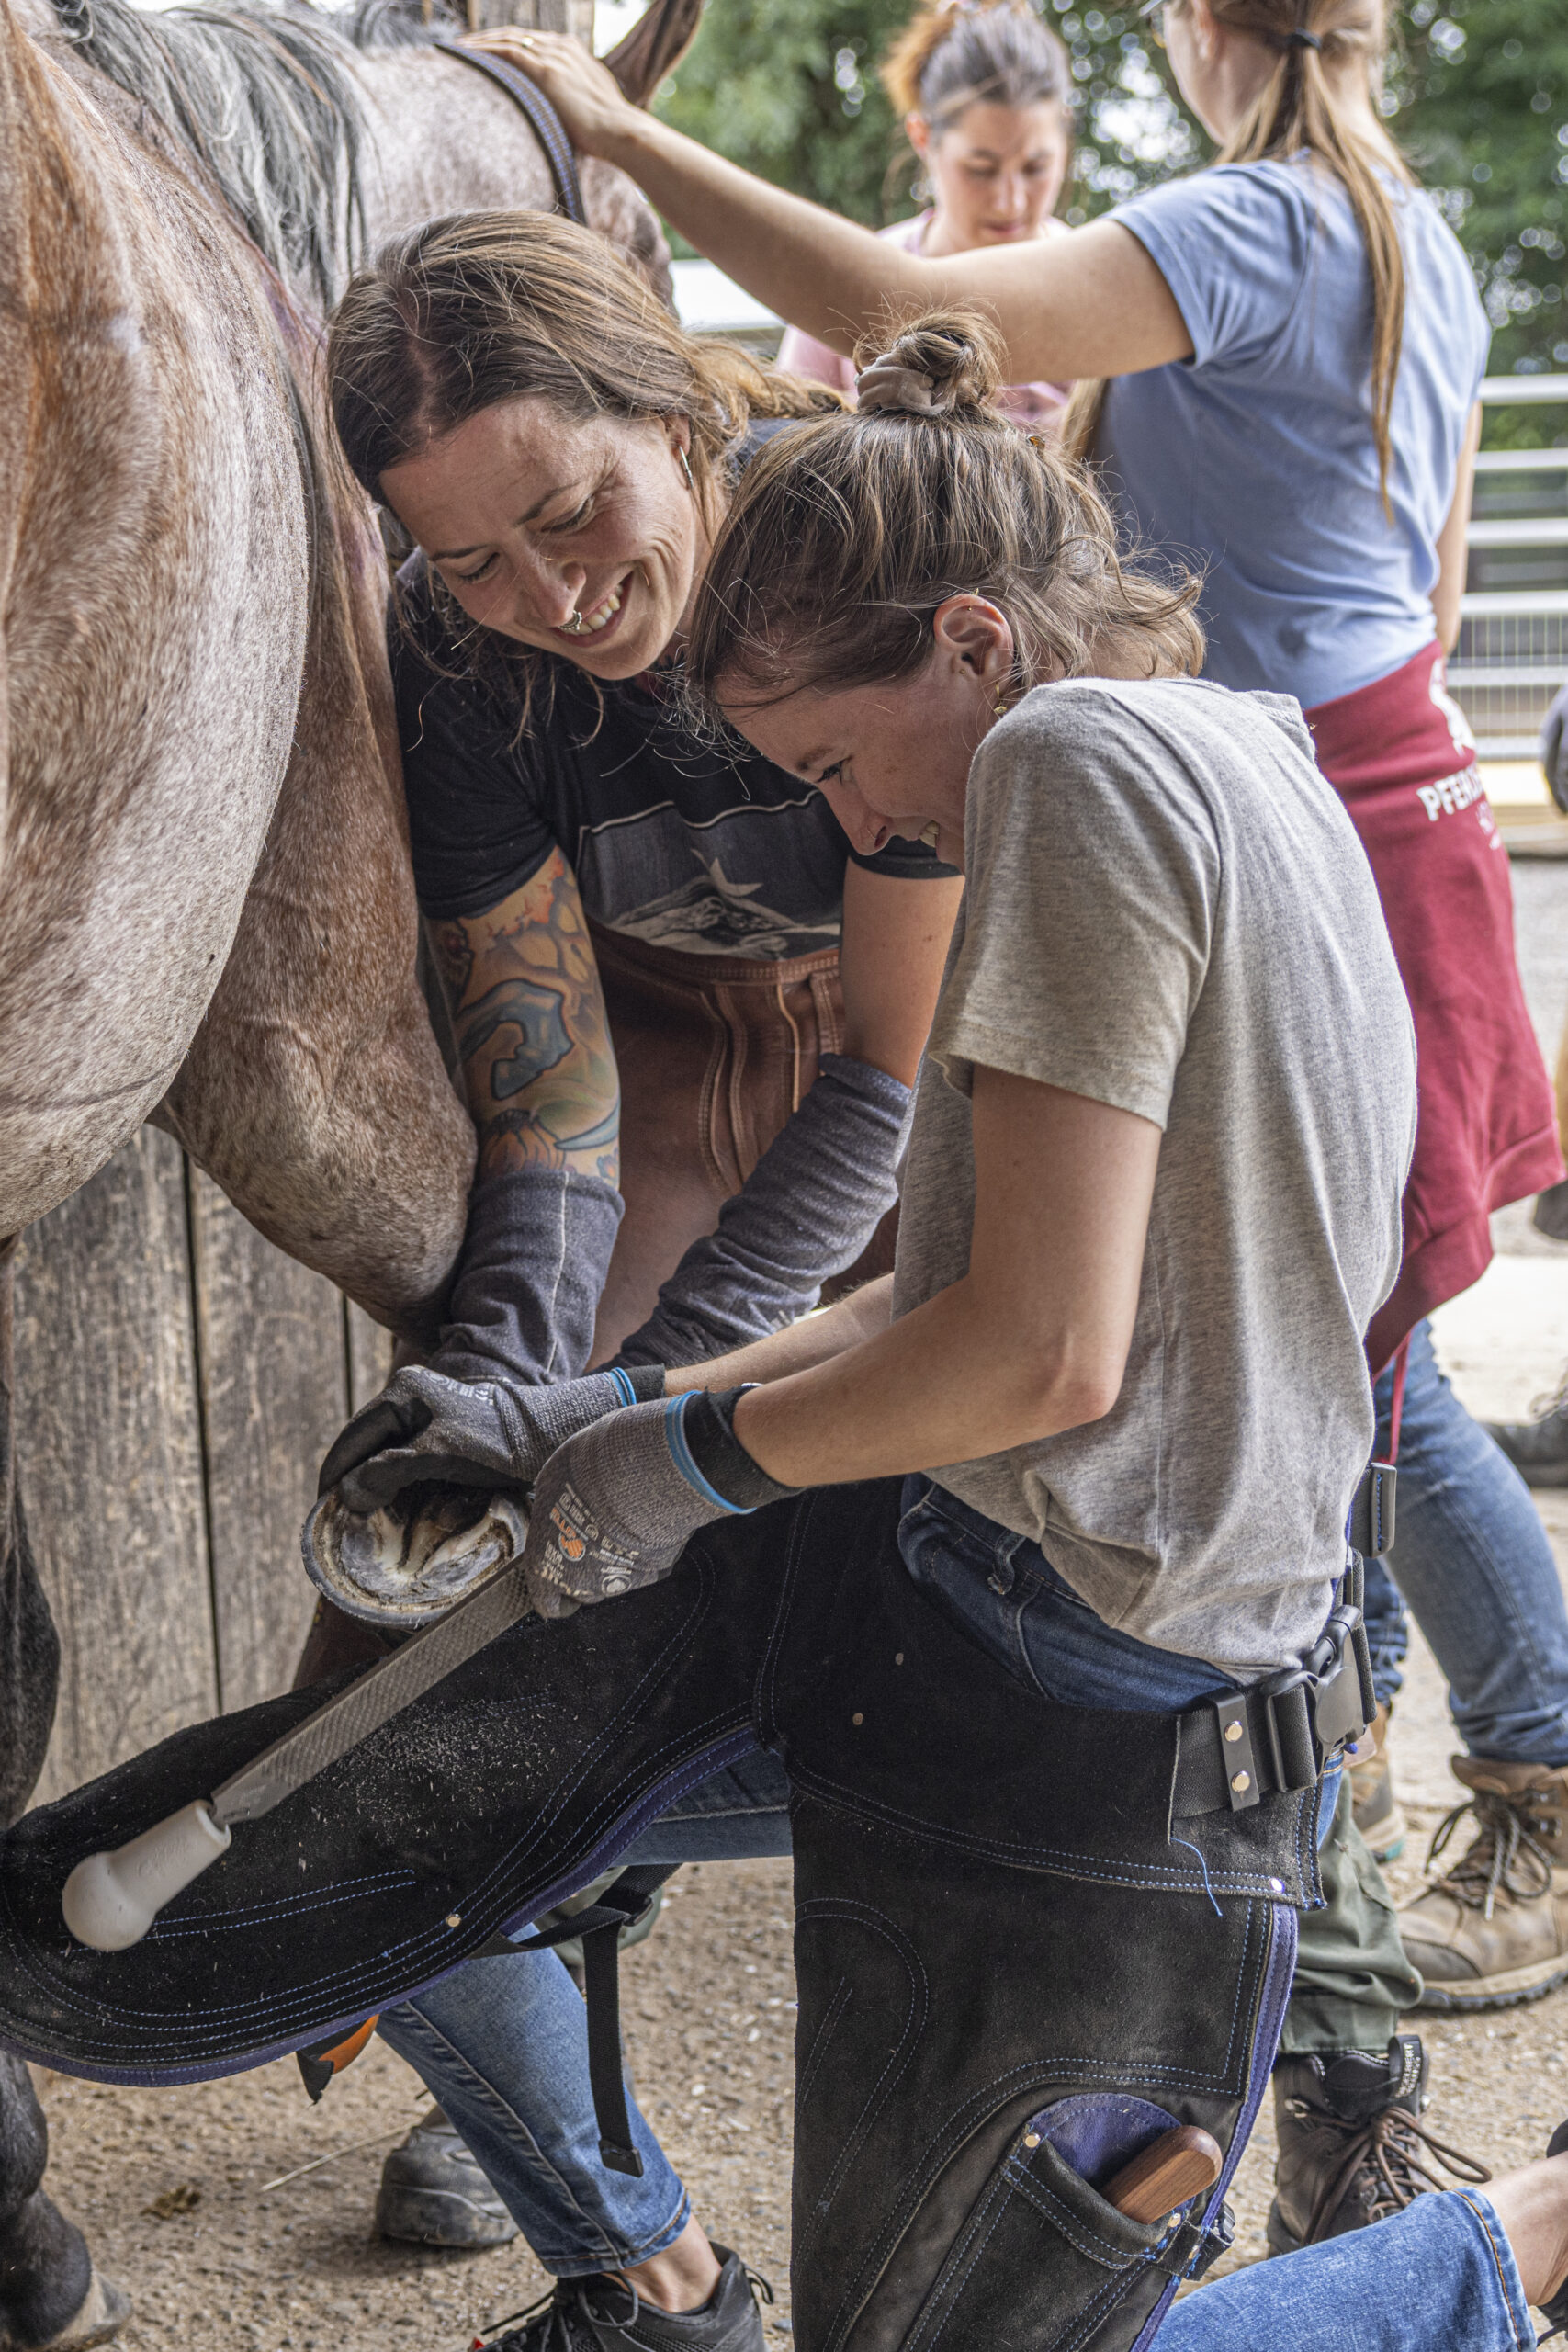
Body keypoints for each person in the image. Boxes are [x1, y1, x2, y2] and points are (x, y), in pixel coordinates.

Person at [489, 0, 1564, 2232]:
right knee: (1361, 1366)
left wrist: (609, 132)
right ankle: (1357, 2067)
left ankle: (1455, 2018)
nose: (851, 826)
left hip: (1118, 1609)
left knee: (1365, 1402)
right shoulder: (1409, 252)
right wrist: (672, 1385)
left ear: (1181, 37)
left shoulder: (1242, 249)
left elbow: (1029, 1348)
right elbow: (1438, 587)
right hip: (1377, 761)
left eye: (826, 778)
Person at [310, 210, 962, 2325]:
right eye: (470, 556)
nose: (550, 597)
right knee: (446, 1635)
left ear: (674, 406)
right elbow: (547, 1081)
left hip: (906, 1066)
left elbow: (883, 1081)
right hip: (668, 1058)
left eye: (576, 513)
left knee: (723, 1526)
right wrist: (509, 1369)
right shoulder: (460, 639)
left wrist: (644, 1411)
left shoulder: (838, 549)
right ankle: (611, 2193)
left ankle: (598, 1891)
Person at [777, 0, 1073, 429]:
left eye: (1035, 168)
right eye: (981, 170)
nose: (1010, 201)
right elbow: (785, 460)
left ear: (1064, 131)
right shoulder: (848, 283)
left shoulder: (1108, 286)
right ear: (923, 137)